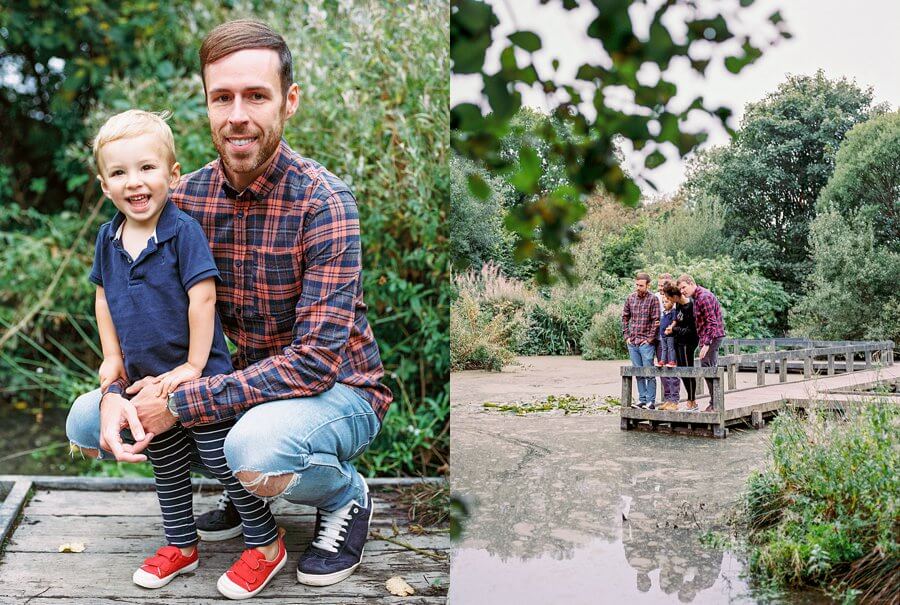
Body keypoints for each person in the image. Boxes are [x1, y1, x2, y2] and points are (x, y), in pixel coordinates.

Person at [65, 19, 392, 591]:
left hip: (337, 391)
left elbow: (313, 362)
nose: (237, 114)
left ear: (288, 102)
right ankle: (237, 499)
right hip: (233, 385)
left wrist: (182, 400)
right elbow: (121, 299)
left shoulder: (324, 202)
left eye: (256, 96)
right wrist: (120, 389)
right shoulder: (180, 197)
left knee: (255, 449)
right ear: (208, 104)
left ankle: (346, 495)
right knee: (89, 418)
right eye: (223, 97)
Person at [78, 109, 284, 598]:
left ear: (172, 175)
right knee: (164, 463)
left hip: (199, 379)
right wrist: (112, 359)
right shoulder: (107, 240)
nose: (135, 182)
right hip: (144, 379)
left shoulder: (181, 231)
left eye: (147, 168)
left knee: (222, 458)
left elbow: (203, 296)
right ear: (105, 186)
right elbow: (103, 297)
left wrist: (193, 365)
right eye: (119, 173)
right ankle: (181, 544)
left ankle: (264, 541)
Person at [676, 275, 725, 412]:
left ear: (691, 283)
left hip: (713, 337)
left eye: (684, 287)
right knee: (710, 368)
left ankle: (715, 403)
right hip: (708, 337)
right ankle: (715, 402)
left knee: (708, 368)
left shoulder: (704, 297)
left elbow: (712, 322)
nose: (682, 291)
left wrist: (707, 343)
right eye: (680, 289)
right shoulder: (696, 298)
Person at [622, 272, 660, 408]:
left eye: (641, 285)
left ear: (648, 285)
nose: (638, 287)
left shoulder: (653, 299)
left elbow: (656, 321)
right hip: (633, 342)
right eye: (637, 285)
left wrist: (650, 339)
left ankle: (651, 401)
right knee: (638, 372)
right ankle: (642, 399)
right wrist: (626, 336)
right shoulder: (630, 298)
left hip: (646, 343)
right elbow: (625, 317)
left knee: (649, 371)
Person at [664, 284, 699, 411]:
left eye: (669, 298)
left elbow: (690, 330)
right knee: (682, 370)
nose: (669, 301)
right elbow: (678, 321)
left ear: (675, 296)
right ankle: (691, 400)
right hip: (679, 341)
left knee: (688, 370)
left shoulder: (691, 306)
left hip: (688, 342)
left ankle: (692, 400)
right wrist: (672, 328)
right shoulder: (678, 305)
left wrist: (674, 329)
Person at [656, 295, 680, 410]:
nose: (664, 303)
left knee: (673, 373)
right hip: (662, 339)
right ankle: (668, 399)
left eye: (666, 301)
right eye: (663, 302)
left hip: (671, 338)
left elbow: (675, 323)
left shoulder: (674, 311)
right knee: (665, 373)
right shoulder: (663, 313)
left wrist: (670, 328)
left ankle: (674, 401)